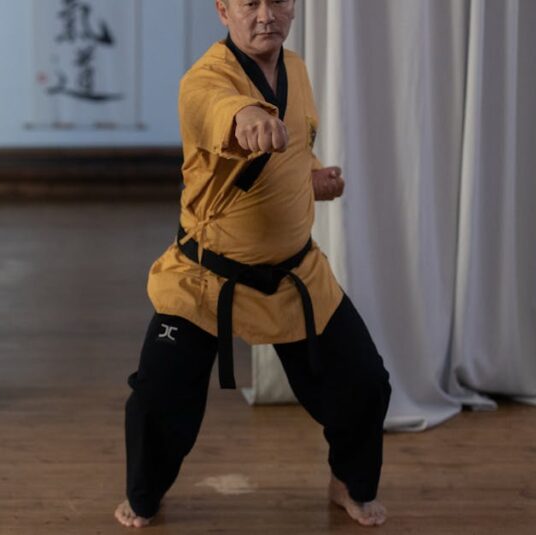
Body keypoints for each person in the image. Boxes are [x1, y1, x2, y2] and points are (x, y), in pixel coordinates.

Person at [115, 0, 391, 528]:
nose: (266, 15)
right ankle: (145, 495)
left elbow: (294, 149)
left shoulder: (296, 69)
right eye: (249, 3)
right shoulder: (202, 80)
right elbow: (221, 109)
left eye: (279, 1)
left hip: (295, 275)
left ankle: (348, 483)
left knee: (365, 383)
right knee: (158, 394)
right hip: (205, 278)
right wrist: (246, 115)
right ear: (223, 10)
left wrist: (312, 177)